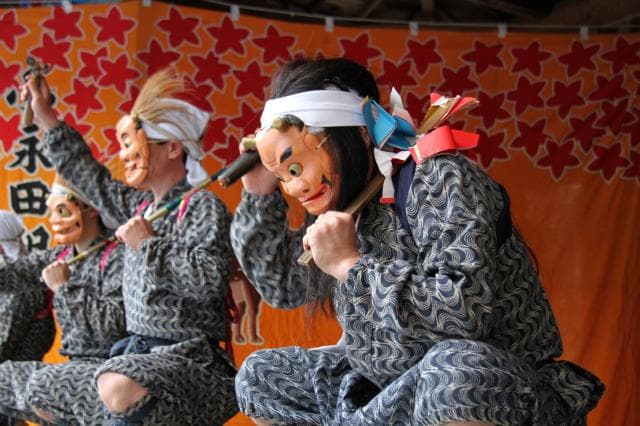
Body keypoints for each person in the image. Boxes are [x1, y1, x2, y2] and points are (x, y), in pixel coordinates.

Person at [230, 57, 604, 425]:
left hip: (489, 390)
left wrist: (350, 265)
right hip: (390, 395)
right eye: (284, 175)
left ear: (358, 135)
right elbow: (282, 287)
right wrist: (260, 196)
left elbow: (462, 314)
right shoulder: (344, 205)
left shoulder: (437, 176)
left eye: (297, 166)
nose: (294, 187)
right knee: (262, 376)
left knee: (455, 370)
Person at [22, 68, 237, 424]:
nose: (124, 156)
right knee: (43, 388)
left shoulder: (201, 206)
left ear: (173, 148)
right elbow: (89, 178)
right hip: (134, 354)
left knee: (117, 384)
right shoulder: (138, 207)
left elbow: (210, 278)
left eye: (132, 145)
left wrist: (149, 245)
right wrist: (45, 115)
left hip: (188, 359)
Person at [0, 177, 127, 424]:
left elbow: (112, 327)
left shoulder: (117, 256)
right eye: (51, 212)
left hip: (110, 367)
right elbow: (12, 276)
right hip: (75, 366)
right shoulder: (61, 256)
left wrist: (64, 288)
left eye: (62, 211)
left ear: (91, 210)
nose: (54, 220)